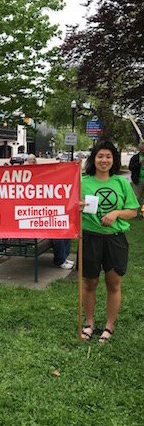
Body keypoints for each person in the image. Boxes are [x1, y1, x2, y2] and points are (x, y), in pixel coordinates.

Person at [80, 140, 138, 343]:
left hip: (115, 240)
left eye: (108, 157)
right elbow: (70, 207)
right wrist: (76, 207)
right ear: (93, 159)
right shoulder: (83, 181)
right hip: (89, 238)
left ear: (113, 160)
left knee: (113, 283)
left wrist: (116, 213)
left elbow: (133, 211)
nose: (104, 160)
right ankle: (89, 323)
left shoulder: (121, 182)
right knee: (90, 282)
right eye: (100, 156)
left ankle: (109, 326)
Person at [26, 154, 74, 269]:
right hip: (32, 221)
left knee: (67, 228)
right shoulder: (25, 178)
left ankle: (63, 257)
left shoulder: (40, 176)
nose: (32, 162)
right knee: (57, 234)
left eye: (34, 160)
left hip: (42, 216)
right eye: (30, 160)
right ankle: (59, 260)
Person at [128, 142, 144, 214]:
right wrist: (139, 163)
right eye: (142, 150)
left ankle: (142, 212)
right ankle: (134, 212)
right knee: (136, 197)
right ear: (140, 149)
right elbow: (131, 167)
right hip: (138, 180)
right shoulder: (135, 157)